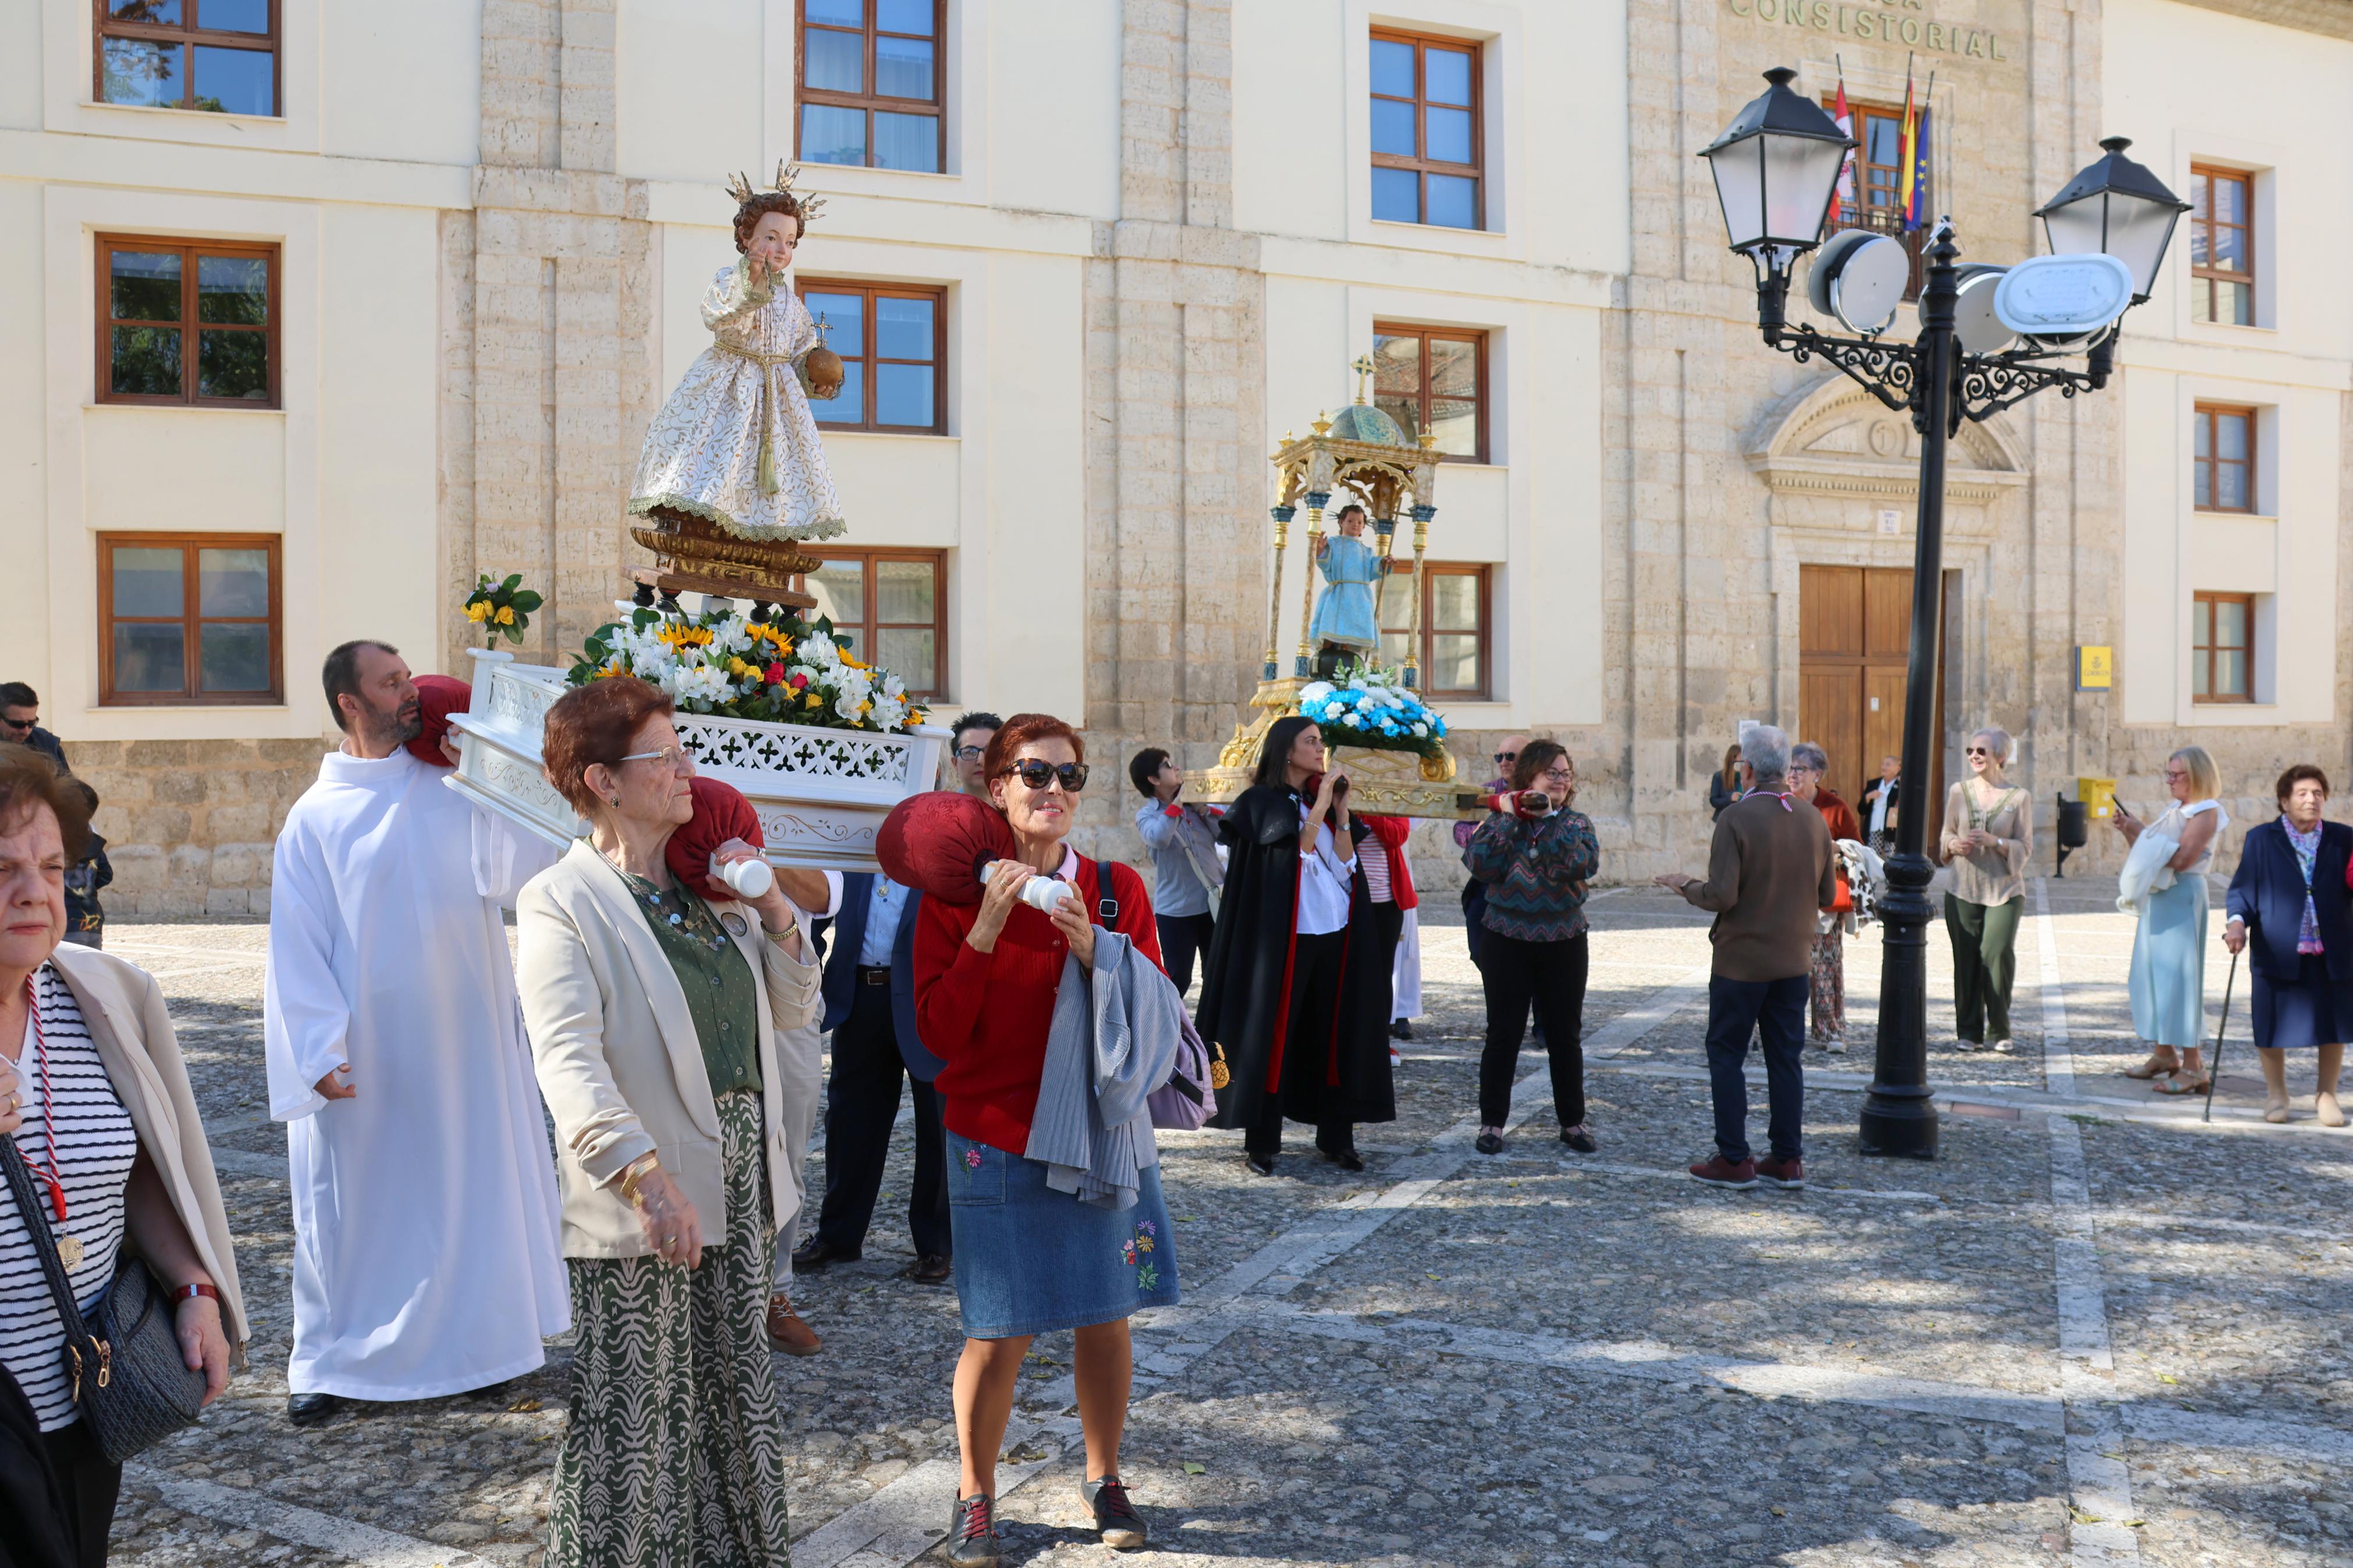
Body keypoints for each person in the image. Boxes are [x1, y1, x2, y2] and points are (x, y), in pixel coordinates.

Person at [516, 676, 821, 1567]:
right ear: (604, 780)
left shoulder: (704, 888)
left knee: (732, 1397)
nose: (688, 771)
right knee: (638, 1413)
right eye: (667, 756)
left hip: (737, 1181)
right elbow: (567, 1060)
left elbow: (795, 1011)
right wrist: (647, 1180)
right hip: (647, 1193)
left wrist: (771, 910)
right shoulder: (559, 900)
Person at [264, 641, 567, 1427]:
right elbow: (295, 943)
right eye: (390, 683)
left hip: (461, 1038)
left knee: (465, 1190)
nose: (411, 693)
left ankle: (478, 1351)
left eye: (407, 677)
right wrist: (319, 1048)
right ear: (349, 705)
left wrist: (509, 776)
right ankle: (331, 1359)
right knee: (345, 1208)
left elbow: (522, 872)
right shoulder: (313, 816)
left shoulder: (451, 787)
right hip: (363, 1054)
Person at [911, 713, 1174, 1563]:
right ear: (997, 788)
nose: (1052, 789)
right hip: (992, 1132)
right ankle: (974, 1491)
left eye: (1068, 775)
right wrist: (985, 929)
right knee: (999, 1327)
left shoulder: (1113, 891)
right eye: (1033, 773)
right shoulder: (950, 899)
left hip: (1097, 1130)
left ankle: (1103, 1475)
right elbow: (937, 1035)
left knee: (1105, 1315)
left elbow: (1158, 1010)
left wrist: (1102, 952)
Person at [0, 744, 241, 1567]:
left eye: (49, 865)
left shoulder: (99, 993)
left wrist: (194, 1286)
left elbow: (134, 1162)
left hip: (81, 1390)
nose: (32, 889)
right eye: (1, 868)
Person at [1197, 716, 1394, 1176]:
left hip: (1334, 935)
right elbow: (1294, 856)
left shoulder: (1320, 804)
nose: (1320, 748)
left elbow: (1347, 867)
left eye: (1321, 741)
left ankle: (1336, 1137)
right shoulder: (1261, 803)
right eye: (1311, 741)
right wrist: (1321, 805)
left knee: (1333, 1032)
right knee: (1274, 1034)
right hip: (1284, 941)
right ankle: (1263, 1142)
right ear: (1286, 750)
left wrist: (1340, 815)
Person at [1655, 725, 1836, 1190]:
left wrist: (1683, 885)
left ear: (1747, 768)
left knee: (1726, 1054)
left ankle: (1734, 1158)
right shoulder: (1812, 818)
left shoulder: (1735, 819)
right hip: (1794, 960)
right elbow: (1825, 892)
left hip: (1741, 963)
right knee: (1785, 1059)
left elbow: (1721, 895)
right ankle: (1787, 1157)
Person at [630, 164, 844, 542]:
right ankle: (704, 522)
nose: (781, 248)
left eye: (790, 242)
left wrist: (815, 375)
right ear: (747, 237)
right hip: (729, 389)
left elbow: (799, 351)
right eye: (772, 237)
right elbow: (720, 315)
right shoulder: (731, 279)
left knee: (779, 475)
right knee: (714, 464)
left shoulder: (793, 305)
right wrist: (753, 280)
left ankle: (765, 532)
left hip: (777, 402)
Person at [791, 867, 952, 1282]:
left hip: (925, 1002)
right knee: (849, 1121)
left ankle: (937, 1245)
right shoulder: (849, 848)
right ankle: (839, 1235)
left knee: (936, 1124)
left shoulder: (940, 855)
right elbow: (813, 911)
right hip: (859, 998)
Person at [1464, 742, 1600, 1155]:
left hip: (1563, 939)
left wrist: (1549, 821)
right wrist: (1512, 817)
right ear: (1529, 778)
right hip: (1506, 938)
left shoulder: (1576, 823)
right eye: (1551, 773)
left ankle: (1572, 1123)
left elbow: (1578, 865)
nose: (1560, 780)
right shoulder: (1501, 820)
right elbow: (1479, 864)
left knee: (1564, 1034)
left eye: (1565, 773)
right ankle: (1492, 1124)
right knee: (1502, 1033)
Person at [2224, 765, 2350, 1126]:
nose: (2312, 800)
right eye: (2303, 794)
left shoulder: (2344, 838)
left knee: (2333, 1023)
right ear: (2284, 801)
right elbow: (2243, 890)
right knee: (2271, 1021)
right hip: (2278, 946)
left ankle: (2326, 1094)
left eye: (2318, 794)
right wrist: (2236, 924)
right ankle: (2277, 1093)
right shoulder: (2262, 839)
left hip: (2333, 946)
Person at [2116, 746, 2228, 1096]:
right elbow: (2152, 853)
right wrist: (2130, 831)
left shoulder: (2207, 811)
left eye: (2176, 774)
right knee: (2152, 975)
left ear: (2197, 775)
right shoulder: (2176, 809)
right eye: (2168, 773)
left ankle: (2195, 1066)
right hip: (2161, 897)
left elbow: (2181, 859)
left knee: (2181, 979)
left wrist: (2142, 830)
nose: (2169, 780)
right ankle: (2164, 1055)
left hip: (2182, 896)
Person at [1939, 728, 2032, 1055]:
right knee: (1965, 960)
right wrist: (1954, 845)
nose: (1974, 756)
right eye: (1970, 751)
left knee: (1995, 953)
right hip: (1963, 888)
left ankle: (2000, 1028)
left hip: (2005, 889)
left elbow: (2026, 846)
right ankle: (1969, 1032)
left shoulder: (2019, 797)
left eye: (1982, 751)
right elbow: (1945, 835)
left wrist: (1998, 843)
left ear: (2000, 758)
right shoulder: (1958, 791)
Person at [1129, 748, 1222, 995]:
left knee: (1218, 975)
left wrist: (1204, 809)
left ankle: (1206, 1031)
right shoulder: (1147, 815)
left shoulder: (1196, 808)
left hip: (1213, 904)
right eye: (1168, 765)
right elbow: (1159, 838)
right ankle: (1168, 1031)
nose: (1177, 768)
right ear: (1154, 780)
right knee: (1178, 979)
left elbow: (1227, 836)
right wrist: (1178, 804)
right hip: (1177, 911)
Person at [1789, 742, 1861, 1054]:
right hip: (1783, 900)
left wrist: (1836, 849)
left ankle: (1830, 1030)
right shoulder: (1780, 802)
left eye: (1800, 769)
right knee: (1780, 966)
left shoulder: (1834, 806)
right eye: (1789, 768)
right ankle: (1774, 1030)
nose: (1792, 774)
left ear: (1817, 774)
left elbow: (1858, 850)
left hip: (1823, 903)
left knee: (1824, 966)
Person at [1455, 734, 1527, 973]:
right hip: (1487, 885)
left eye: (1510, 756)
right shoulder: (1487, 792)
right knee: (1480, 950)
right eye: (1499, 756)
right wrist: (1477, 835)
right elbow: (1460, 827)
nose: (1504, 762)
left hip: (1522, 886)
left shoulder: (1537, 794)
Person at [1308, 504, 1393, 677]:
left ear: (1364, 526)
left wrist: (1385, 564)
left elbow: (1373, 569)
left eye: (1360, 522)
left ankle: (1347, 656)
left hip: (1360, 598)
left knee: (1350, 633)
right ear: (1341, 522)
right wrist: (1321, 550)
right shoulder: (1334, 544)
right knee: (1332, 629)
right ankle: (1323, 657)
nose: (1355, 524)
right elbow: (1325, 563)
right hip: (1340, 592)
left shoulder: (1366, 551)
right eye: (1351, 521)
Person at [1359, 813, 1415, 1054]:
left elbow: (1397, 836)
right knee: (1353, 972)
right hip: (1351, 902)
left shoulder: (1392, 805)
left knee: (1382, 972)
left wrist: (1369, 814)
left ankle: (1380, 1041)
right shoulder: (1341, 803)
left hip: (1387, 904)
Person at [59, 782, 109, 951]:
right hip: (92, 921)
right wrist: (88, 888)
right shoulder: (94, 843)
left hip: (68, 922)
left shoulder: (56, 844)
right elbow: (106, 875)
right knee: (91, 972)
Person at [0, 685, 68, 776]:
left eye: (32, 723)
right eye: (18, 724)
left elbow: (70, 786)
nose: (26, 732)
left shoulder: (46, 742)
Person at [949, 712, 1004, 799]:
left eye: (989, 751)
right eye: (970, 752)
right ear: (955, 763)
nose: (981, 761)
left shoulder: (1019, 809)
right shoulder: (945, 810)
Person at [1860, 755, 1901, 854]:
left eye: (1888, 765)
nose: (1884, 767)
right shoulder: (1874, 784)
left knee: (1891, 859)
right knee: (1873, 858)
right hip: (1874, 828)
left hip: (1892, 830)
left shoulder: (1902, 785)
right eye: (1883, 764)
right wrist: (1868, 797)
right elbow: (1861, 810)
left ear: (1898, 768)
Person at [1708, 744, 1742, 820]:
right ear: (1733, 759)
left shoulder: (1745, 777)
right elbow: (1714, 801)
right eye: (1741, 757)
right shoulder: (1719, 777)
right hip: (1724, 819)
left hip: (1740, 820)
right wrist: (1730, 798)